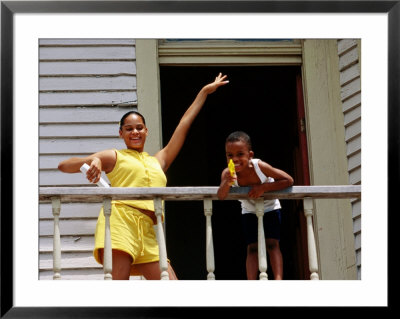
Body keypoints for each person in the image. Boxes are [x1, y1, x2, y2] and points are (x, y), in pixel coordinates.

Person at [58, 73, 229, 280]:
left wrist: (203, 92)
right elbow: (64, 166)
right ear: (121, 133)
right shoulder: (114, 155)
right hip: (121, 222)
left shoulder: (158, 161)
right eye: (129, 129)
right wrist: (95, 161)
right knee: (120, 289)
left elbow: (183, 125)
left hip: (149, 230)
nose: (135, 132)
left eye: (139, 128)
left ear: (146, 131)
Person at [217, 131, 293, 280]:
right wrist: (227, 182)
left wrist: (263, 188)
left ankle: (278, 279)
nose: (235, 159)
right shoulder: (227, 173)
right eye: (230, 155)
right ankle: (251, 281)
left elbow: (288, 180)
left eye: (240, 154)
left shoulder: (259, 166)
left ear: (250, 155)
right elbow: (221, 195)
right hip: (249, 209)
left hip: (270, 206)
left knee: (272, 244)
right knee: (252, 248)